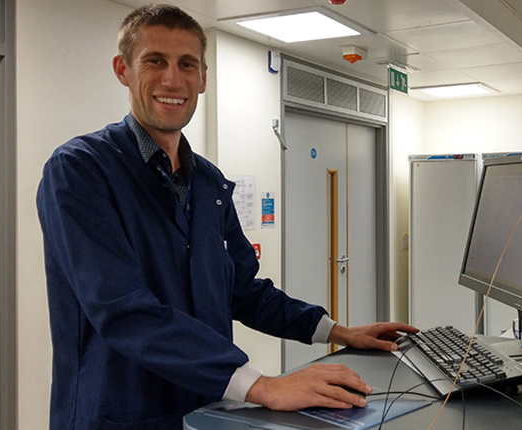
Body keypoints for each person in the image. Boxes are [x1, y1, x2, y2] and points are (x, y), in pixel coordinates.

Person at [36, 4, 417, 429]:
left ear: (202, 78)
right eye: (155, 62)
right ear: (123, 70)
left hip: (203, 411)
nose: (172, 79)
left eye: (187, 64)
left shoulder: (207, 183)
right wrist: (262, 386)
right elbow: (122, 309)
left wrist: (335, 331)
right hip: (117, 412)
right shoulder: (80, 171)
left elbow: (241, 290)